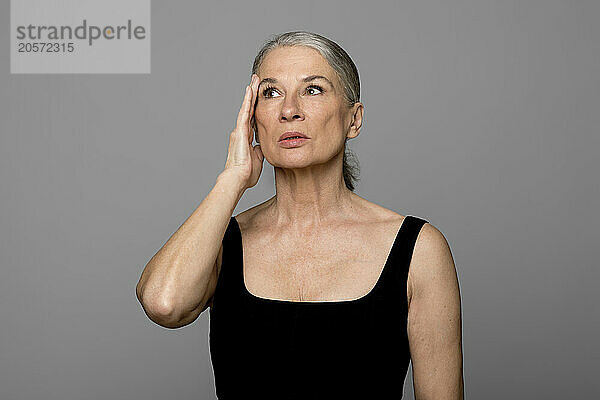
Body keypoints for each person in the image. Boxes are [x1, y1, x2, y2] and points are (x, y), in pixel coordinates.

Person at [136, 31, 464, 399]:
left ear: (353, 120)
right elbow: (163, 304)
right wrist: (231, 181)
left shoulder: (419, 250)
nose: (288, 109)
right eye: (270, 93)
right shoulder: (222, 242)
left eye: (313, 90)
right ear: (253, 121)